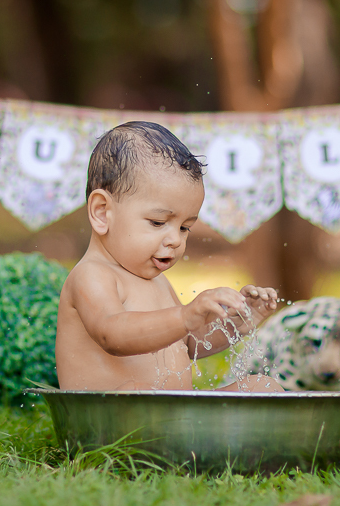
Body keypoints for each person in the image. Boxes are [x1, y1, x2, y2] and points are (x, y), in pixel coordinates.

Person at [56, 121, 283, 391]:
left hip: (170, 413)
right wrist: (185, 315)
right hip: (111, 418)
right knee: (136, 392)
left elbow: (191, 342)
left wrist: (238, 324)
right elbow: (112, 334)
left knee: (263, 386)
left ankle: (198, 428)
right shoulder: (92, 276)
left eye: (185, 227)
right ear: (103, 212)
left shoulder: (157, 282)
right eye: (157, 222)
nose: (176, 239)